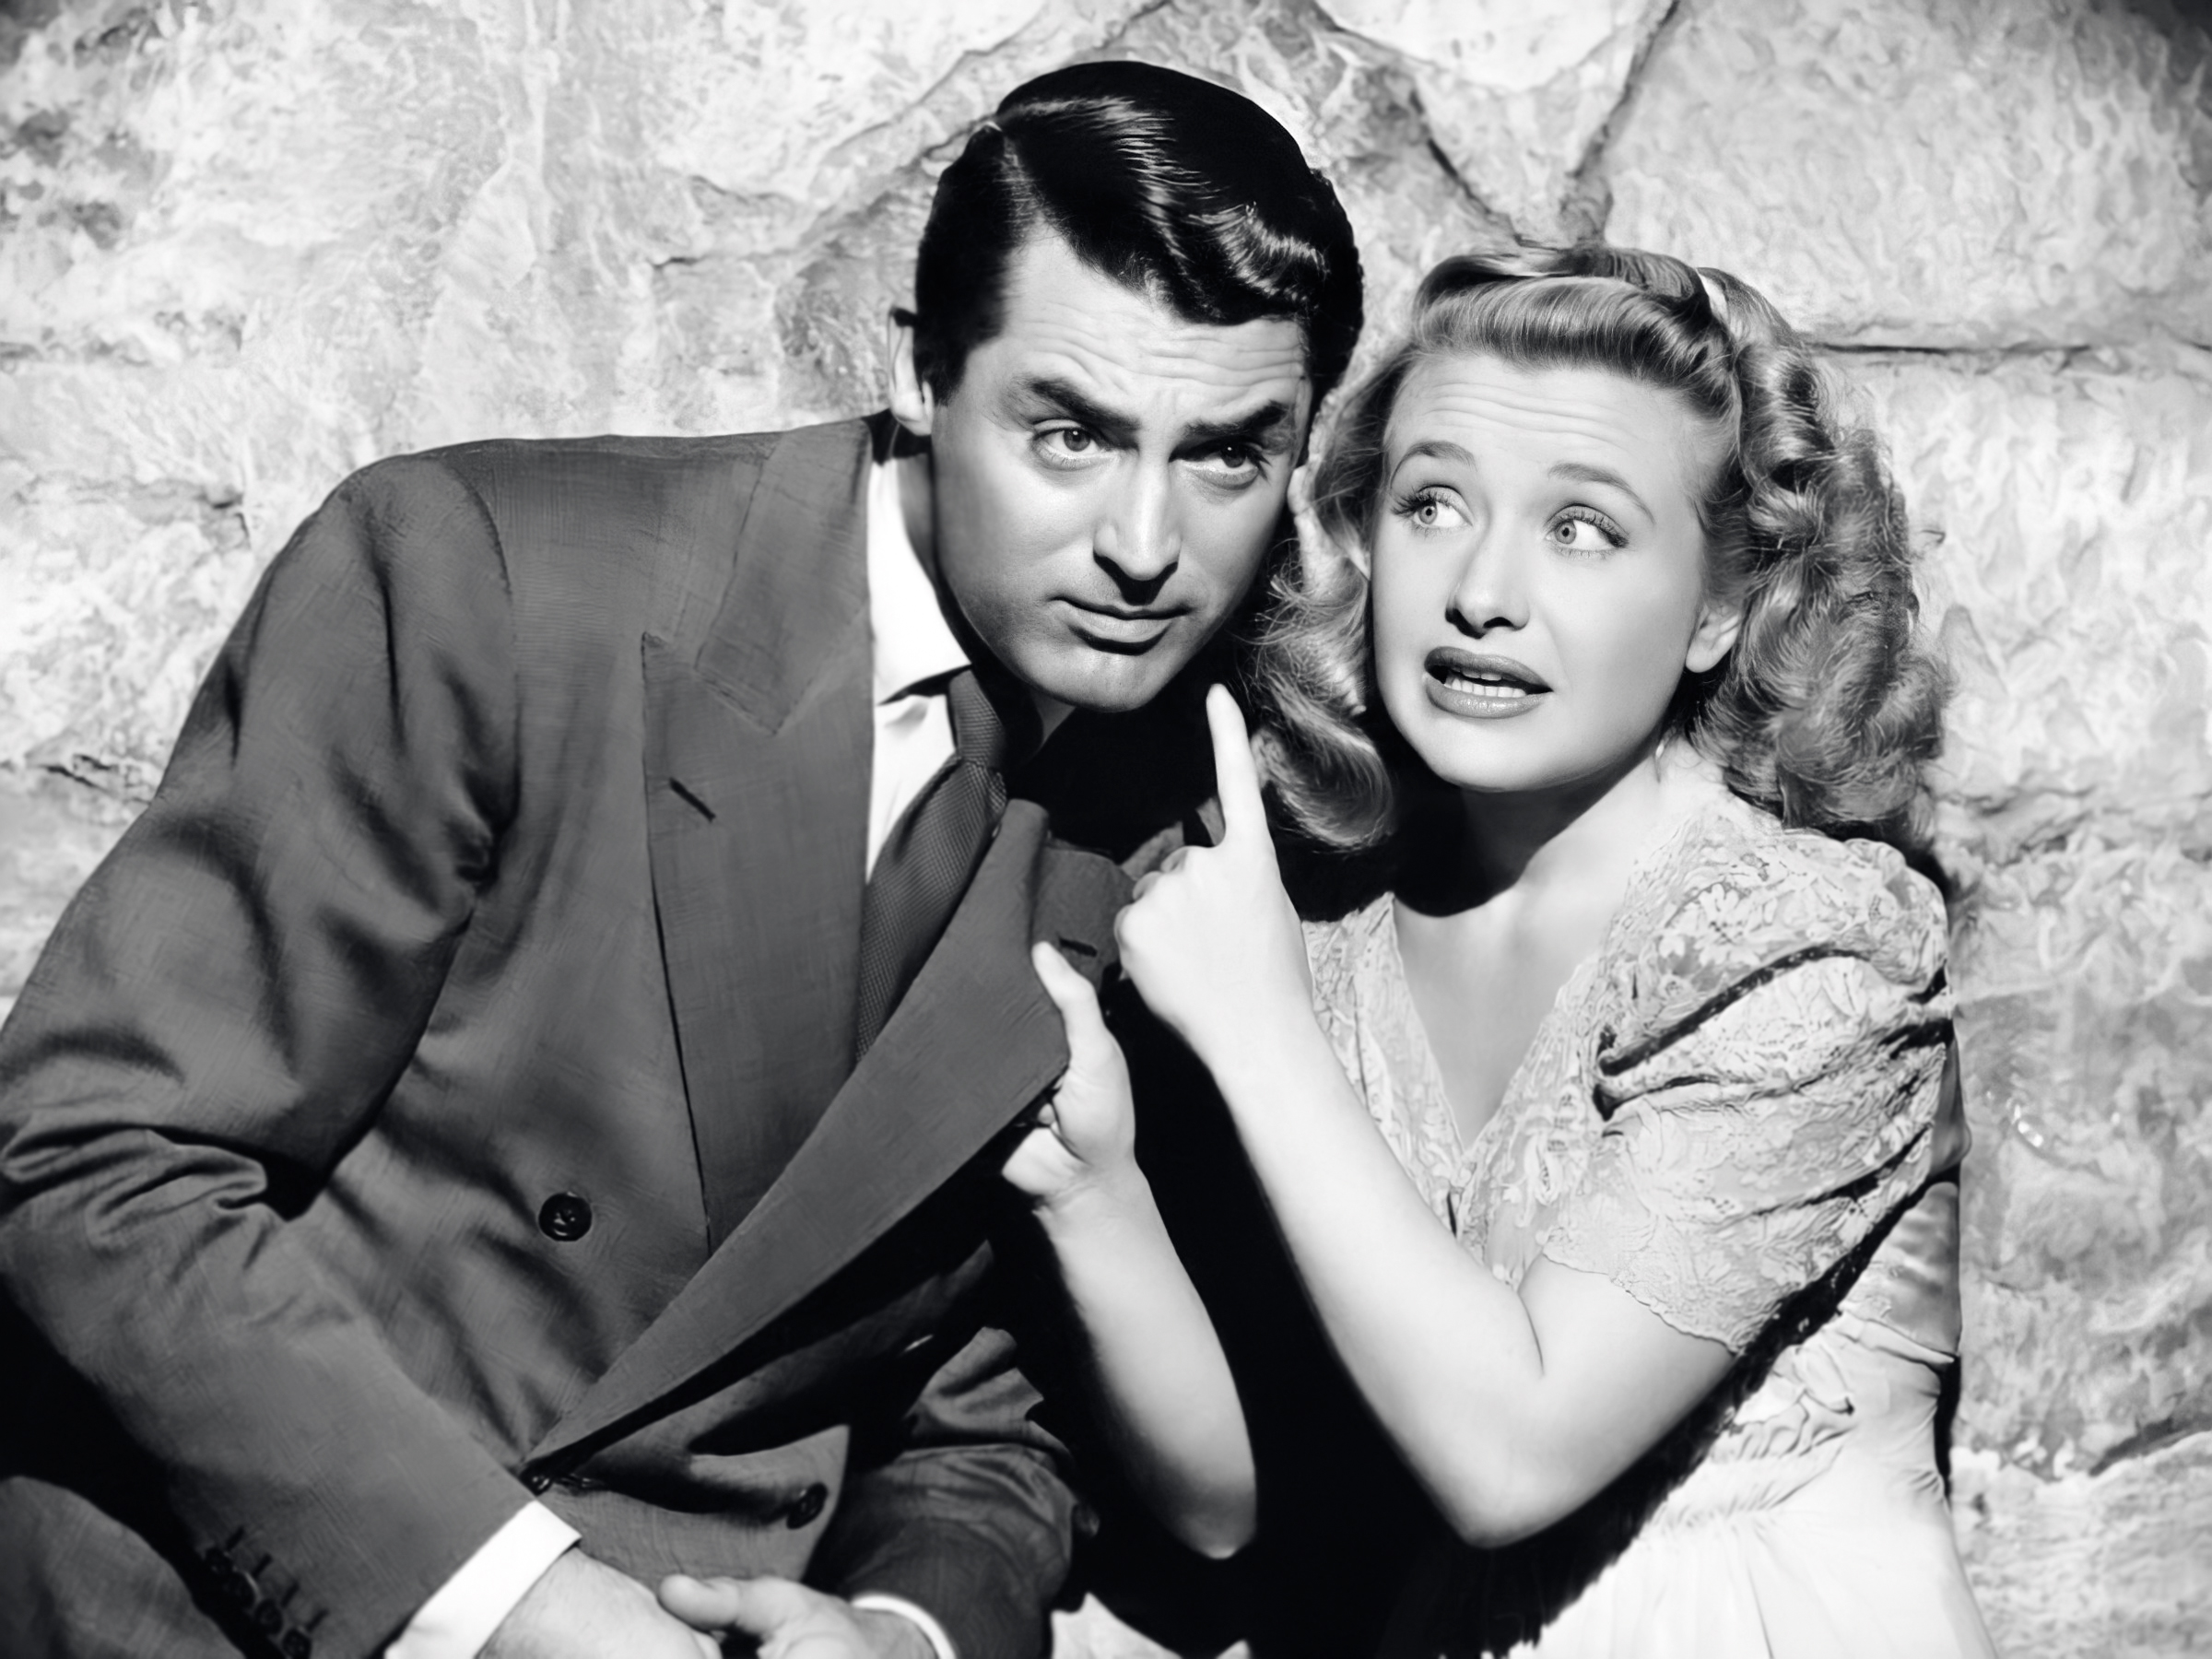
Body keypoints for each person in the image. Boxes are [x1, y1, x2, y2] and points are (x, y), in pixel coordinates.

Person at [0, 62, 1362, 1659]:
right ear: (918, 370)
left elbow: (993, 1409)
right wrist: (522, 1610)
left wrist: (904, 1631)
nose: (1143, 546)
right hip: (234, 1601)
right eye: (1068, 434)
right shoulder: (487, 579)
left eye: (1227, 457)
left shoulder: (1183, 832)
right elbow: (95, 1162)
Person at [1006, 245, 1997, 1655]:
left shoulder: (1813, 949)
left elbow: (1510, 1460)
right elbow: (1232, 1502)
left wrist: (1254, 1027)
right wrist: (1094, 1188)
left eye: (1582, 528)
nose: (1482, 591)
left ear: (1726, 604)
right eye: (1433, 504)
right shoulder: (1328, 929)